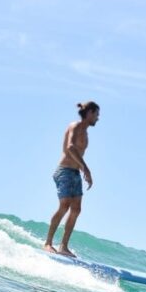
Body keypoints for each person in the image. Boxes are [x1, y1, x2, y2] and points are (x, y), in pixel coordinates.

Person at [44, 101, 100, 257]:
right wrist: (86, 168)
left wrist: (82, 169)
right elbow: (70, 148)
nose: (98, 118)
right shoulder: (74, 126)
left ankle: (63, 246)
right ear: (89, 113)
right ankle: (48, 243)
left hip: (75, 173)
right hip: (64, 171)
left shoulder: (86, 133)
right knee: (65, 205)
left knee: (76, 209)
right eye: (96, 114)